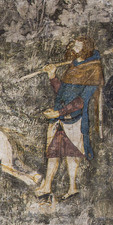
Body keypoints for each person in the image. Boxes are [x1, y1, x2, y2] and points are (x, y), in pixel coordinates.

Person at [34, 35, 104, 199]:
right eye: (73, 45)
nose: (73, 48)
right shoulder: (73, 66)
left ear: (86, 48)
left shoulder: (94, 69)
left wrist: (59, 112)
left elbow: (81, 101)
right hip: (58, 118)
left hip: (74, 119)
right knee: (53, 153)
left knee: (72, 154)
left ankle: (72, 188)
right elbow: (62, 92)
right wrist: (52, 76)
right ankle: (46, 187)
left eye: (78, 46)